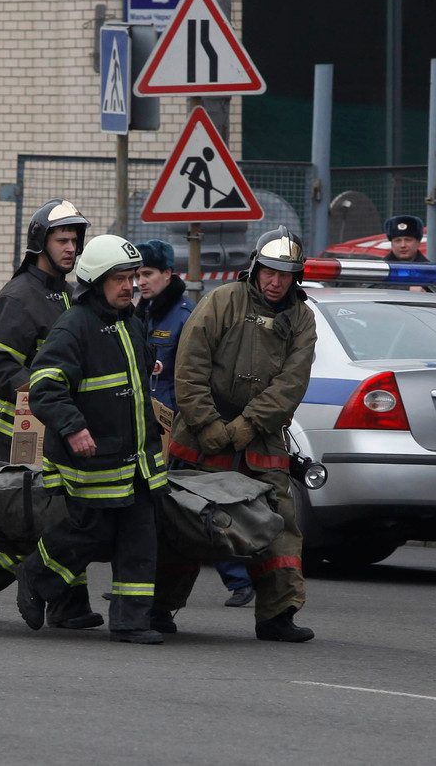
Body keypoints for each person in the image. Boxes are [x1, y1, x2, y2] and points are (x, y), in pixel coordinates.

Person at [152, 225, 318, 643]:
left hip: (260, 439)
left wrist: (245, 427)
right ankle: (157, 607)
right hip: (199, 434)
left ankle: (277, 615)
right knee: (184, 523)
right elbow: (189, 368)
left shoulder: (302, 318)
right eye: (270, 271)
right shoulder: (221, 301)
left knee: (278, 524)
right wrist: (208, 424)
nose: (277, 281)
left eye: (286, 274)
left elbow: (291, 384)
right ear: (255, 268)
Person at [0, 199, 103, 630]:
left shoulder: (68, 293)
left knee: (58, 510)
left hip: (53, 423)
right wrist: (50, 395)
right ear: (41, 241)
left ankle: (62, 603)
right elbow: (1, 368)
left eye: (75, 240)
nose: (71, 248)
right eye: (62, 240)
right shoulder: (17, 297)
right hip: (16, 427)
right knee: (40, 515)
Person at [15, 234, 168, 644]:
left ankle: (131, 621)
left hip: (135, 459)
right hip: (95, 459)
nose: (128, 286)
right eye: (118, 278)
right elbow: (44, 387)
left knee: (140, 537)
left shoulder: (132, 324)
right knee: (90, 533)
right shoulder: (74, 326)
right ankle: (35, 575)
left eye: (132, 277)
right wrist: (73, 426)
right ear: (96, 281)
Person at [135, 238, 254, 608]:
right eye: (137, 274)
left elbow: (196, 377)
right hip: (147, 427)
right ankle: (138, 580)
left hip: (180, 432)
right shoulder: (144, 313)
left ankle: (240, 580)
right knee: (148, 510)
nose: (141, 281)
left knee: (192, 508)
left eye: (149, 274)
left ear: (169, 274)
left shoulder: (185, 316)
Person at [379, 214, 436, 292]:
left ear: (418, 242)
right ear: (392, 243)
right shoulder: (381, 269)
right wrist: (407, 289)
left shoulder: (431, 272)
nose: (403, 245)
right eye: (398, 241)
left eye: (408, 240)